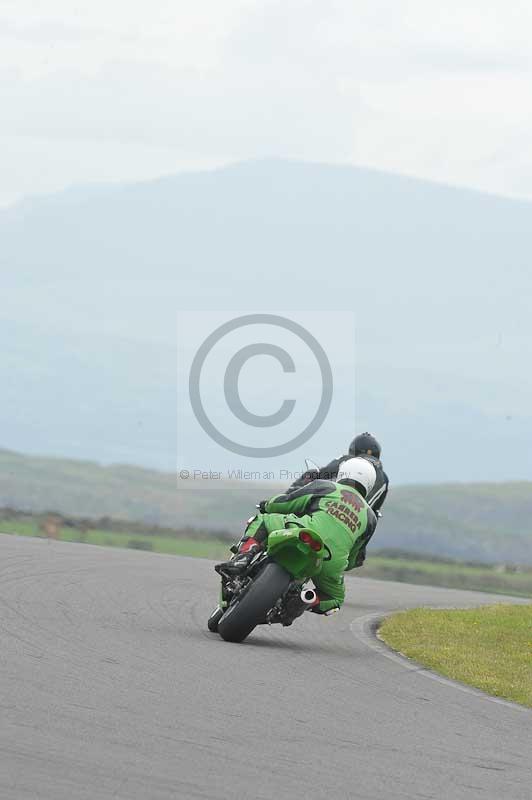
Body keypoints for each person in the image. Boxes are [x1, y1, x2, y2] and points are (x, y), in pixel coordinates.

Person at [221, 458, 378, 618]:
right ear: (369, 485)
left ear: (343, 473)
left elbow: (287, 502)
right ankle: (302, 601)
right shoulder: (371, 518)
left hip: (303, 532)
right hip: (330, 560)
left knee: (263, 520)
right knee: (335, 598)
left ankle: (243, 557)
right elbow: (354, 558)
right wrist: (340, 566)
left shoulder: (327, 486)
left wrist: (267, 505)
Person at [290, 431, 389, 515]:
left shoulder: (347, 460)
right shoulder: (384, 479)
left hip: (328, 510)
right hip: (357, 524)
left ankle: (286, 503)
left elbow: (322, 473)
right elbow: (375, 512)